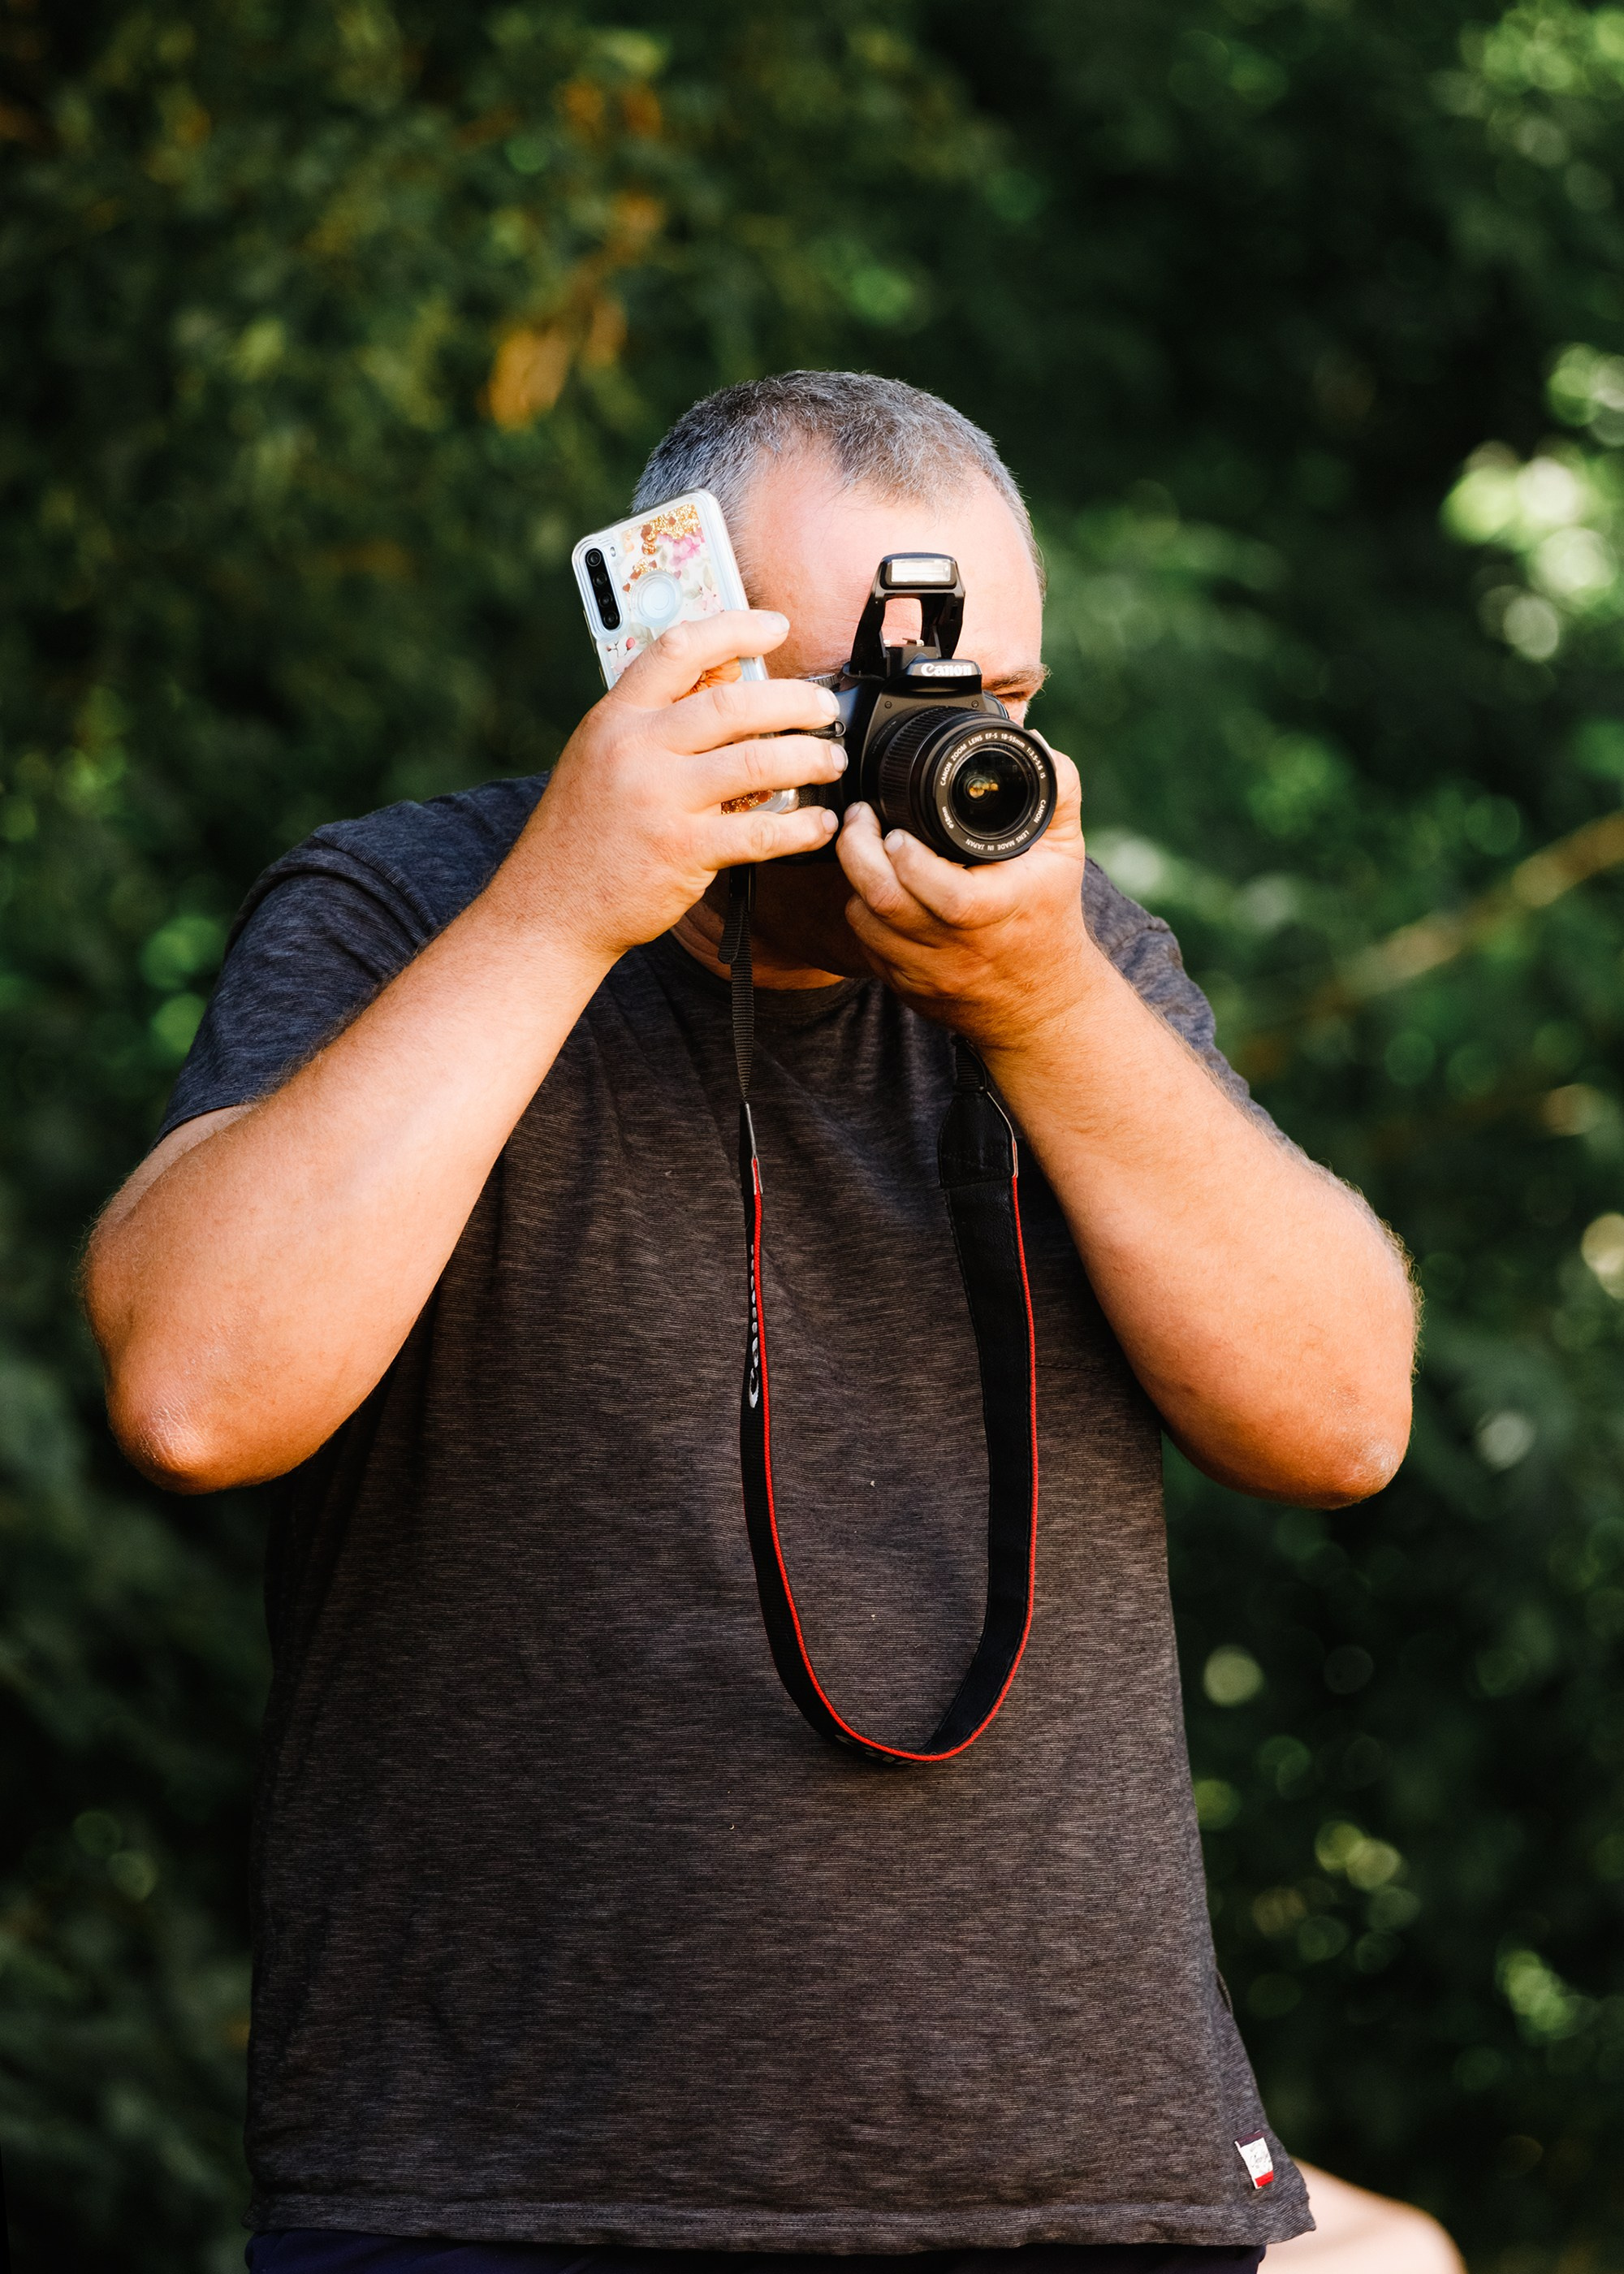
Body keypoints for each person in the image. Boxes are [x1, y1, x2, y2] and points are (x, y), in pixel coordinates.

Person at [84, 373, 1418, 2273]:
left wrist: (1040, 1008)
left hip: (1076, 2191)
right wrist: (565, 907)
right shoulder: (414, 907)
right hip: (512, 2194)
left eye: (994, 704)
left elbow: (1342, 1415)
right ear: (661, 646)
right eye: (863, 696)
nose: (938, 751)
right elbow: (197, 1387)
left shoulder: (1069, 959)